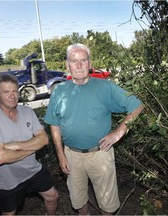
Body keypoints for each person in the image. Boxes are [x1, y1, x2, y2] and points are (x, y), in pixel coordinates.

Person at [44, 43, 144, 215]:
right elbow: (54, 124)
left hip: (100, 154)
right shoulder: (59, 91)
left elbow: (137, 106)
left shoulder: (105, 87)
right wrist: (60, 155)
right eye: (74, 61)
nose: (79, 65)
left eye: (83, 60)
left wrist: (119, 132)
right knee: (78, 200)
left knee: (107, 204)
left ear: (90, 64)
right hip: (71, 156)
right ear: (68, 65)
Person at [0, 73, 59, 215]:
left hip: (31, 169)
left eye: (14, 91)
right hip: (7, 178)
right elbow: (0, 158)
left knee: (52, 196)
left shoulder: (27, 111)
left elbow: (44, 139)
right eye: (6, 92)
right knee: (10, 213)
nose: (12, 95)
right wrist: (31, 149)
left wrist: (15, 145)